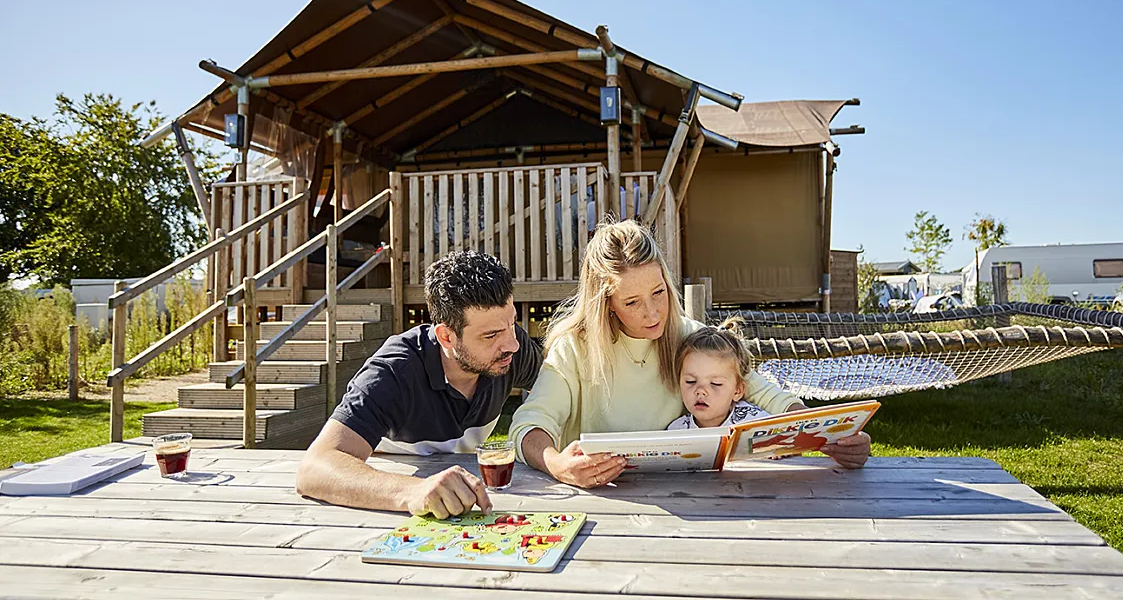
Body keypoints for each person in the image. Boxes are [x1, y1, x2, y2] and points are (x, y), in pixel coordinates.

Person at [510, 220, 871, 489]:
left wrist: (827, 433)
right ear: (607, 306)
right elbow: (529, 424)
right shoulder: (575, 347)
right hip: (601, 501)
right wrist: (556, 464)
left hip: (688, 494)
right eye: (632, 302)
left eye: (659, 293)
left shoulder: (689, 336)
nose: (653, 313)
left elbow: (764, 394)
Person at [295, 251, 541, 518]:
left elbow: (563, 394)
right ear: (446, 337)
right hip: (378, 513)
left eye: (511, 324)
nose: (512, 344)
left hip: (470, 507)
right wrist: (414, 490)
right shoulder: (394, 371)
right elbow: (314, 469)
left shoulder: (511, 351)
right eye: (490, 335)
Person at [665, 320, 774, 430]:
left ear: (737, 391)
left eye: (715, 383)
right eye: (690, 381)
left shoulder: (758, 424)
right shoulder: (676, 431)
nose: (700, 391)